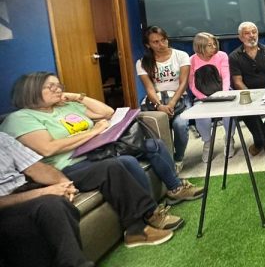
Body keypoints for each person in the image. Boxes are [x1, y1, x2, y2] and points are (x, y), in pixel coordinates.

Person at [0, 74, 208, 248]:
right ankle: (144, 220)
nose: (57, 89)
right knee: (121, 163)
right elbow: (48, 148)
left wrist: (77, 97)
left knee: (151, 145)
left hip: (99, 151)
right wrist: (94, 132)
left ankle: (172, 191)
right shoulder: (21, 118)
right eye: (50, 86)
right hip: (68, 166)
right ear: (31, 91)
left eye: (58, 85)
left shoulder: (65, 106)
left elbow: (107, 113)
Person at [0, 132, 173, 262]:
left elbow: (35, 168)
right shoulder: (20, 120)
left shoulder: (3, 138)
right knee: (52, 205)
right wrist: (44, 192)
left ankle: (137, 228)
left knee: (111, 166)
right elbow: (48, 149)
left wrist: (64, 183)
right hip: (10, 200)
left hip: (31, 185)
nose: (58, 94)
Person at [135, 26, 191, 166]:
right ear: (148, 45)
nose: (161, 44)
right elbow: (149, 88)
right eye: (156, 42)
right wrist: (159, 106)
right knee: (157, 126)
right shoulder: (142, 62)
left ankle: (178, 159)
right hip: (156, 101)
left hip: (180, 98)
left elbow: (183, 83)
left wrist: (172, 103)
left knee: (180, 124)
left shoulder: (181, 55)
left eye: (163, 40)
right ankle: (166, 158)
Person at [229, 22, 265, 157]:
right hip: (247, 93)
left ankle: (259, 142)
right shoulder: (234, 56)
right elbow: (237, 81)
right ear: (240, 37)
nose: (252, 35)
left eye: (254, 32)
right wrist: (252, 96)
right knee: (247, 110)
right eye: (247, 33)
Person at [189, 32, 235, 163]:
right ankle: (207, 142)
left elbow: (226, 77)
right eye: (210, 45)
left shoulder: (222, 55)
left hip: (222, 92)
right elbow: (192, 84)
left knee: (229, 112)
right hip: (202, 96)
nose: (214, 47)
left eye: (214, 44)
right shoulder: (191, 60)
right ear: (200, 46)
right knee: (201, 114)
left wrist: (223, 94)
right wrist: (204, 98)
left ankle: (229, 139)